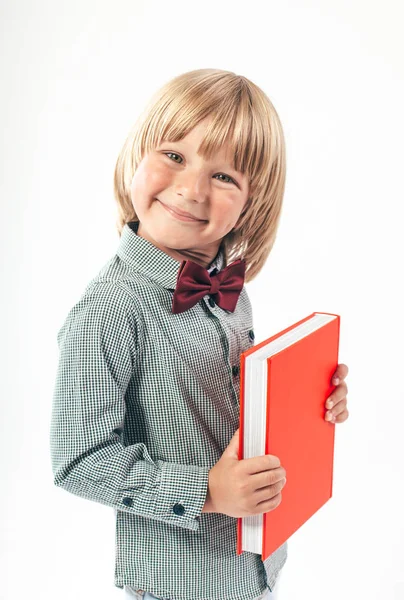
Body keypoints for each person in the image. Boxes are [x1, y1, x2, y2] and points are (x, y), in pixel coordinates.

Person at [50, 68, 350, 600]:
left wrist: (309, 403)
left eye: (224, 176)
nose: (190, 188)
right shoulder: (106, 311)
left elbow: (241, 405)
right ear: (137, 155)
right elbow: (78, 463)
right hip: (179, 582)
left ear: (250, 204)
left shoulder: (228, 287)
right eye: (174, 155)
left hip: (258, 566)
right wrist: (207, 491)